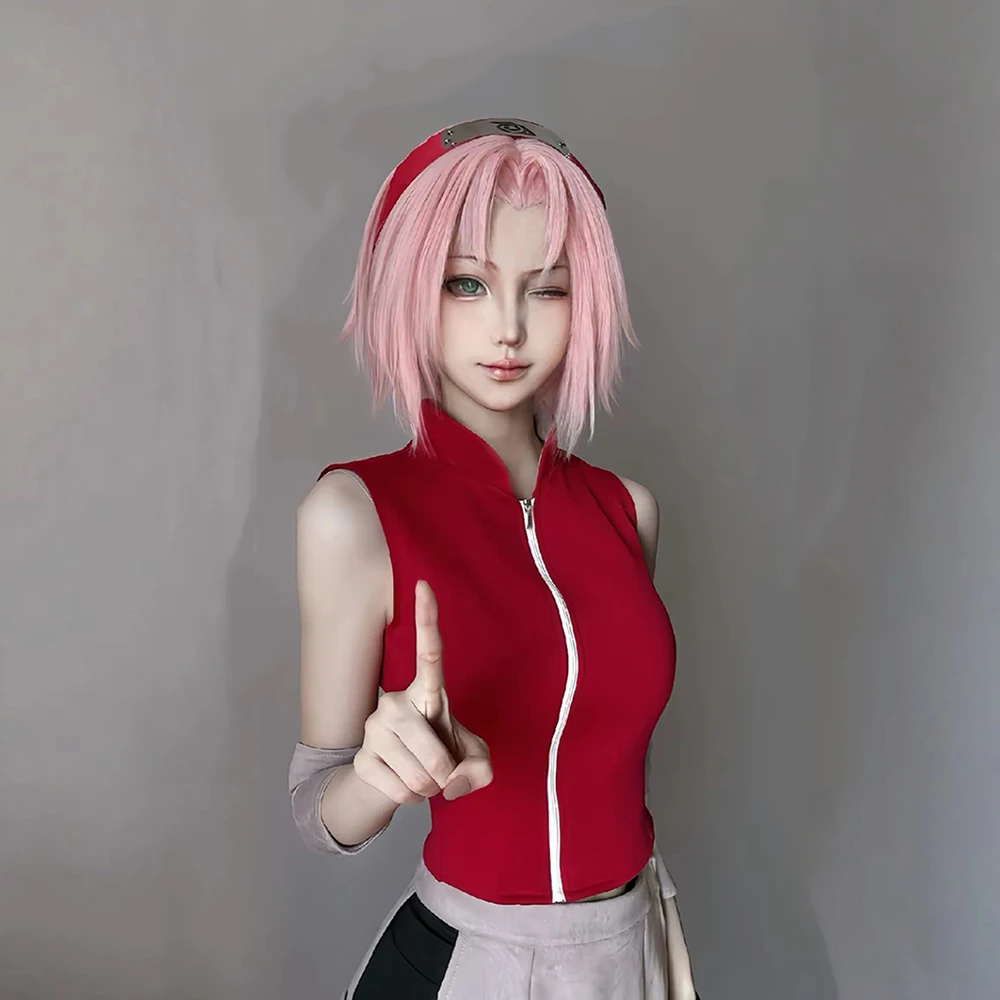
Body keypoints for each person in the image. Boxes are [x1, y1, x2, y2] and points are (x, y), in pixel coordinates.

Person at [289, 118, 698, 999]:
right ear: (410, 286)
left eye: (546, 289)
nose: (507, 328)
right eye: (465, 283)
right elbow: (318, 812)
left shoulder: (628, 512)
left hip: (632, 951)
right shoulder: (352, 514)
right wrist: (378, 774)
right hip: (474, 965)